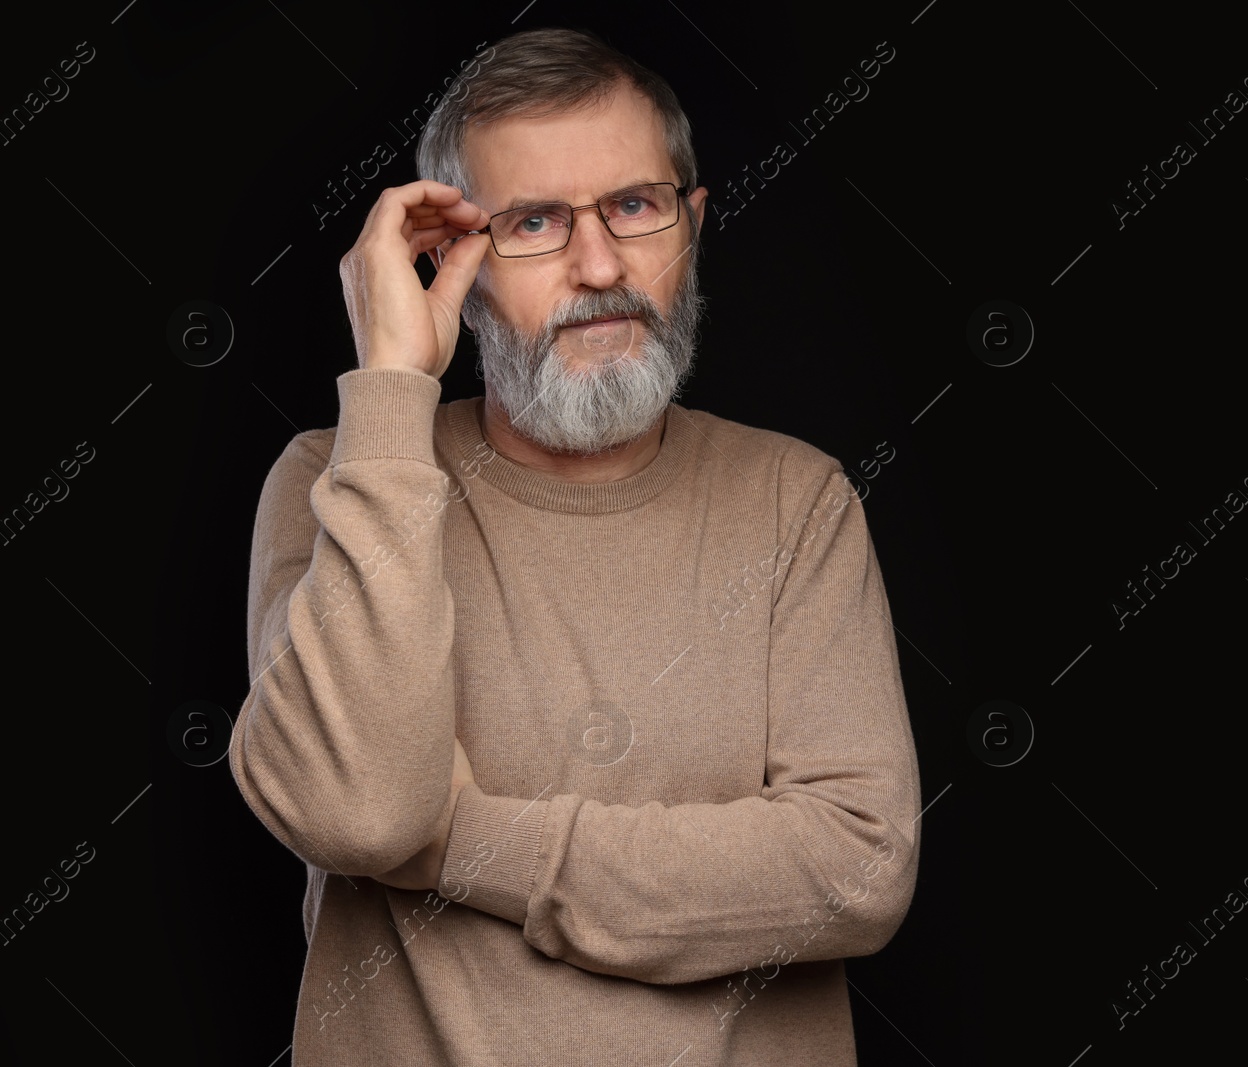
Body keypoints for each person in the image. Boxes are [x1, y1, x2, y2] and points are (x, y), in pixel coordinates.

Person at [227, 26, 921, 1066]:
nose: (598, 266)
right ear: (448, 260)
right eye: (533, 223)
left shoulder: (796, 501)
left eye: (633, 207)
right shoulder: (339, 478)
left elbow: (858, 870)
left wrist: (454, 840)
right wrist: (392, 393)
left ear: (690, 223)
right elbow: (365, 813)